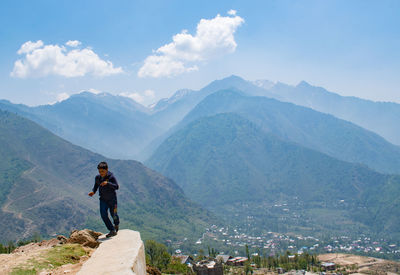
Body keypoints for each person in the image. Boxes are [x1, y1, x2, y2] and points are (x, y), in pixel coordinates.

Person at [88, 161, 120, 237]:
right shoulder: (98, 177)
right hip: (103, 199)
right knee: (103, 215)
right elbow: (96, 185)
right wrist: (93, 191)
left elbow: (116, 186)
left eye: (102, 171)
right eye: (99, 171)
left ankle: (116, 224)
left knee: (114, 214)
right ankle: (112, 230)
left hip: (112, 200)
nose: (101, 173)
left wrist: (108, 183)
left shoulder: (111, 177)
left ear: (107, 169)